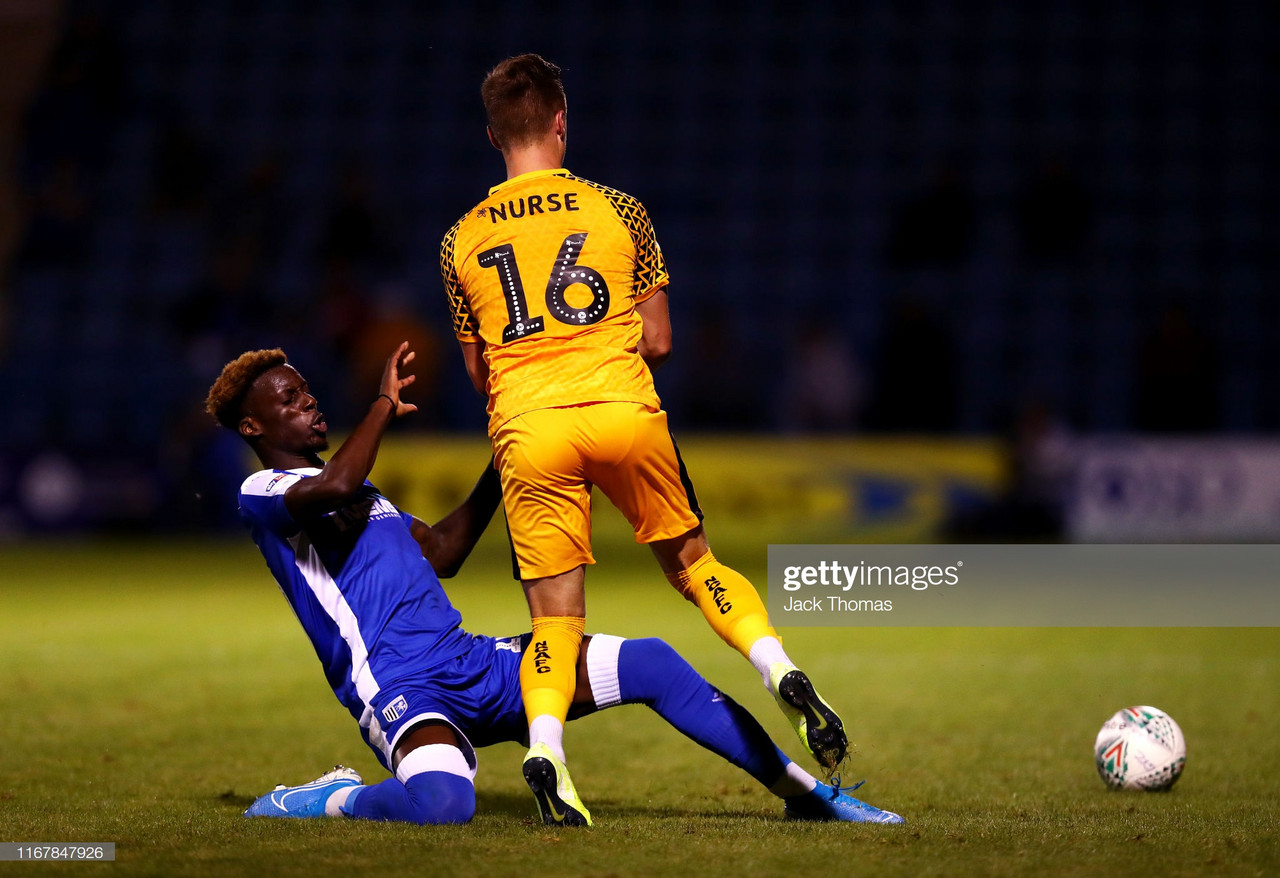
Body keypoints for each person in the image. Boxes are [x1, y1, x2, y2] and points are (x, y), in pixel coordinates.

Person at [204, 343, 903, 826]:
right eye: (292, 400)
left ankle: (805, 794)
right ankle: (331, 800)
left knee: (653, 661)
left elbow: (442, 550)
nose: (310, 404)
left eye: (307, 392)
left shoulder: (370, 500)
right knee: (446, 807)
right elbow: (338, 480)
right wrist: (383, 404)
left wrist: (508, 459)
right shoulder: (263, 492)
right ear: (253, 424)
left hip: (470, 663)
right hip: (399, 688)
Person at [439, 53, 849, 825]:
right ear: (562, 121)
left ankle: (547, 746)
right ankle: (780, 666)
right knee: (696, 566)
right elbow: (658, 340)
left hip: (529, 429)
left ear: (493, 134)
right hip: (622, 409)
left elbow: (478, 372)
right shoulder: (620, 210)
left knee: (555, 620)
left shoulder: (460, 239)